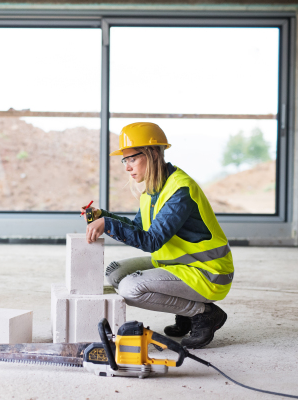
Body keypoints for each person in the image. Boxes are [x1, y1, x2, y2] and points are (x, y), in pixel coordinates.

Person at [81, 122, 234, 349]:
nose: (127, 167)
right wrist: (103, 216)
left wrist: (109, 224)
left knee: (130, 289)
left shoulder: (179, 190)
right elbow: (139, 229)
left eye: (131, 159)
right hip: (178, 264)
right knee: (115, 273)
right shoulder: (152, 191)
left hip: (206, 272)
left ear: (152, 153)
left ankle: (203, 313)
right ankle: (185, 310)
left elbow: (151, 241)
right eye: (125, 160)